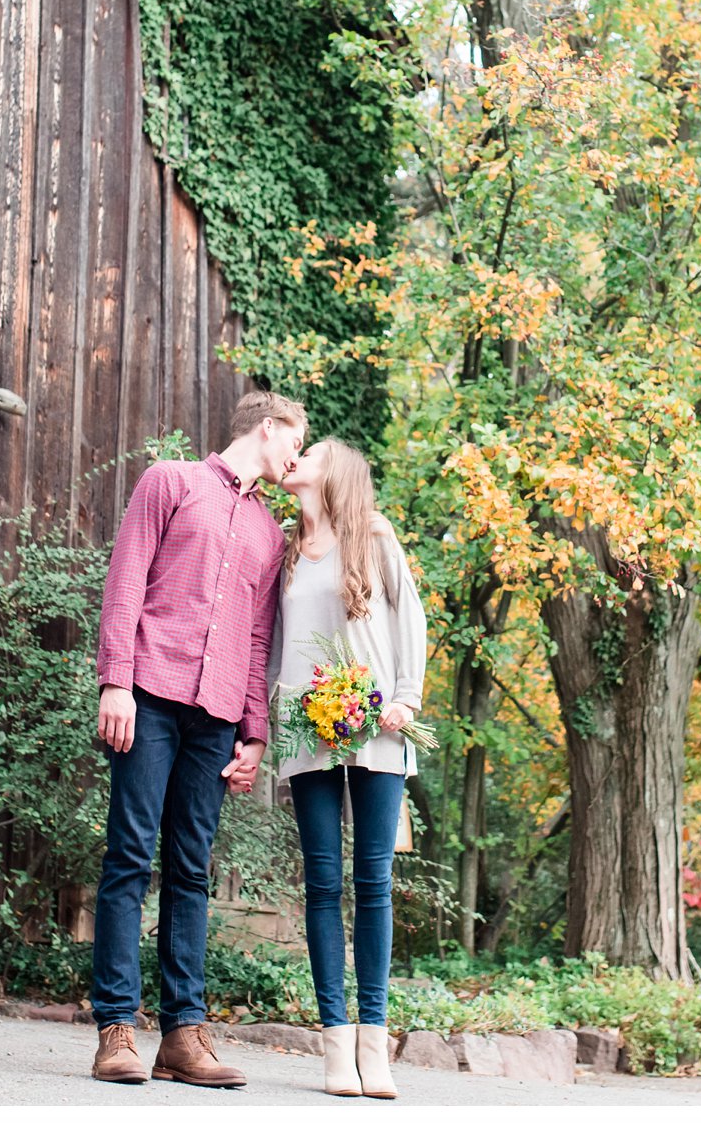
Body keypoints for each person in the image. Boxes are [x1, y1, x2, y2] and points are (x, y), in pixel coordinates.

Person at [87, 390, 306, 1087]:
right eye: (294, 439)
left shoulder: (270, 535)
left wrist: (254, 731)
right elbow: (125, 582)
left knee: (190, 868)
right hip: (148, 692)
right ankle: (116, 1028)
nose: (296, 455)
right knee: (129, 856)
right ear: (268, 430)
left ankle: (183, 1034)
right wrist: (114, 681)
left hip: (214, 717)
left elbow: (254, 636)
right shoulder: (170, 481)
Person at [269, 437, 427, 1099]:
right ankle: (334, 1045)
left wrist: (404, 698)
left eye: (310, 451)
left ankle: (374, 1043)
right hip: (307, 726)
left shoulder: (375, 541)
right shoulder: (281, 550)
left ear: (336, 473)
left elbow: (410, 622)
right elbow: (275, 643)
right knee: (321, 882)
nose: (295, 456)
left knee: (373, 881)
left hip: (377, 726)